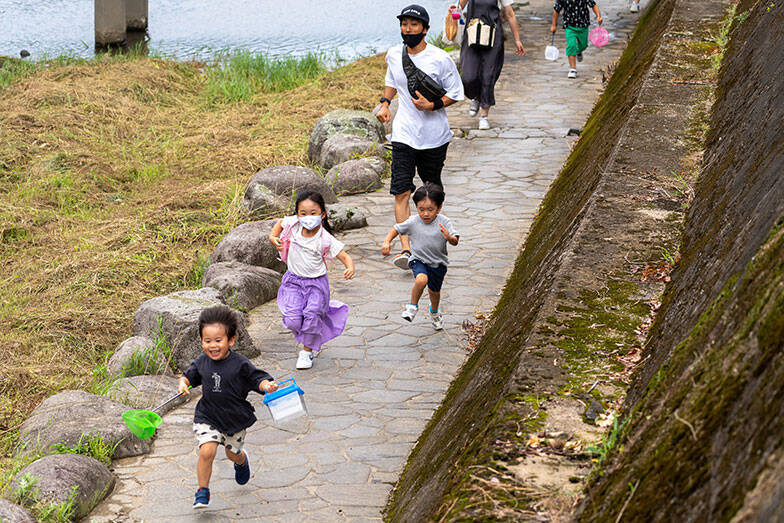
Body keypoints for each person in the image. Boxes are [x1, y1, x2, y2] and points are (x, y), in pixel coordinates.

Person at [376, 4, 464, 271]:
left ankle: (431, 240)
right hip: (403, 133)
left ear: (425, 29)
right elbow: (392, 80)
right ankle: (406, 249)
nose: (408, 29)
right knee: (401, 190)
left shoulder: (440, 59)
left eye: (414, 25)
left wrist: (433, 105)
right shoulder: (394, 54)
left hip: (434, 137)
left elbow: (456, 92)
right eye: (404, 24)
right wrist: (385, 103)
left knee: (431, 191)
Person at [178, 305, 279, 509]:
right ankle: (202, 491)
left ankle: (241, 461)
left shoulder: (240, 364)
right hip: (208, 416)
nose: (212, 346)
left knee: (232, 454)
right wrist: (183, 384)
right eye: (207, 341)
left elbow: (257, 379)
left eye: (218, 340)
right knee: (207, 452)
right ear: (201, 341)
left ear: (231, 340)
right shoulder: (202, 362)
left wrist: (266, 386)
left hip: (234, 419)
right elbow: (188, 376)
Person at [268, 190, 355, 370]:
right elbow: (279, 224)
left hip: (316, 284)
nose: (308, 217)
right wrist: (272, 237)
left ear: (322, 214)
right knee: (292, 320)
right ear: (297, 215)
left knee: (312, 316)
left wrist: (350, 267)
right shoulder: (293, 225)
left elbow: (344, 256)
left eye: (313, 213)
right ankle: (317, 321)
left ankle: (307, 351)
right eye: (303, 213)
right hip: (293, 281)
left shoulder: (325, 239)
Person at [381, 183, 459, 330]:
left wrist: (449, 237)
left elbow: (455, 241)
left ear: (439, 208)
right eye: (421, 209)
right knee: (421, 280)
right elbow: (396, 229)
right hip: (419, 260)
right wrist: (387, 241)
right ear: (416, 207)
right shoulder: (413, 221)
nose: (425, 214)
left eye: (430, 209)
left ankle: (434, 312)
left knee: (434, 292)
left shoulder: (444, 222)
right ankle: (412, 306)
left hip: (438, 264)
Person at [459, 0, 525, 130]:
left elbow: (510, 14)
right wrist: (453, 13)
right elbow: (459, 7)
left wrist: (517, 39)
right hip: (472, 32)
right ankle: (476, 96)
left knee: (488, 75)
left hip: (494, 35)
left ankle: (484, 115)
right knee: (468, 76)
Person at [550, 0, 603, 78]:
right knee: (571, 46)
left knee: (583, 45)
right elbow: (556, 10)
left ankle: (579, 51)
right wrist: (553, 25)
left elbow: (593, 5)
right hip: (569, 26)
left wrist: (598, 16)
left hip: (583, 25)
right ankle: (573, 69)